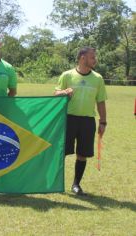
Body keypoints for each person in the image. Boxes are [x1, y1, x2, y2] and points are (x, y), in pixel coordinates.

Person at [54, 47, 107, 196]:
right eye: (92, 57)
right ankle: (56, 182)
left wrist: (103, 122)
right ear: (82, 58)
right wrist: (64, 92)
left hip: (87, 121)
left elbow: (101, 101)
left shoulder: (98, 78)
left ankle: (76, 184)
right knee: (62, 152)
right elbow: (55, 93)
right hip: (68, 119)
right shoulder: (67, 75)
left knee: (82, 153)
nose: (95, 60)